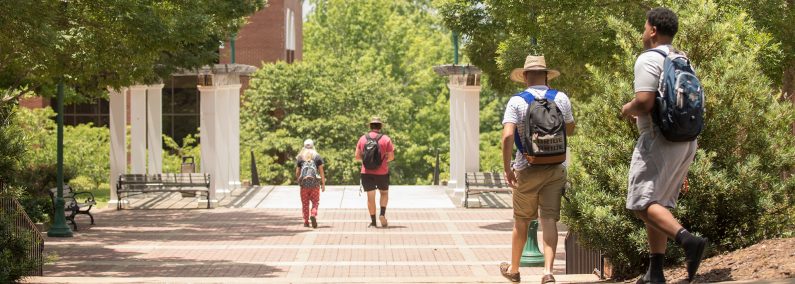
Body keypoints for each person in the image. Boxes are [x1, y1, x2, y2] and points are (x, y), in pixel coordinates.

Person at [621, 7, 707, 283]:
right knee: (658, 203)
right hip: (686, 139)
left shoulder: (648, 58)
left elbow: (645, 102)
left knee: (640, 204)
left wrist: (626, 108)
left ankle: (688, 241)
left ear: (653, 30)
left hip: (658, 138)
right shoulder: (681, 58)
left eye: (644, 27)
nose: (643, 31)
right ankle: (655, 272)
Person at [499, 55, 575, 283]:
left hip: (527, 167)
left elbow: (507, 136)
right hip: (555, 167)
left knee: (521, 220)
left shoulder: (517, 101)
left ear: (524, 77)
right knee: (549, 219)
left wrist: (507, 168)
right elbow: (570, 130)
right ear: (547, 76)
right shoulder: (560, 98)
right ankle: (548, 272)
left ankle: (514, 269)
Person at [355, 117, 395, 228]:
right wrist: (383, 159)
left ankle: (373, 222)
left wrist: (366, 158)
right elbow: (391, 157)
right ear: (380, 126)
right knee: (384, 193)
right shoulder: (386, 139)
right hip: (382, 172)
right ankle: (382, 214)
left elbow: (357, 157)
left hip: (366, 172)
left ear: (370, 126)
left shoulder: (363, 139)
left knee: (370, 197)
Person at [295, 139, 325, 228]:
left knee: (305, 203)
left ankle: (306, 221)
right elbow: (321, 171)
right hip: (315, 184)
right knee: (315, 201)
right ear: (313, 146)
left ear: (304, 146)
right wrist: (323, 184)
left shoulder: (300, 157)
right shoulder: (317, 157)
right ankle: (313, 213)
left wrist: (299, 181)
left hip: (304, 185)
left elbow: (297, 172)